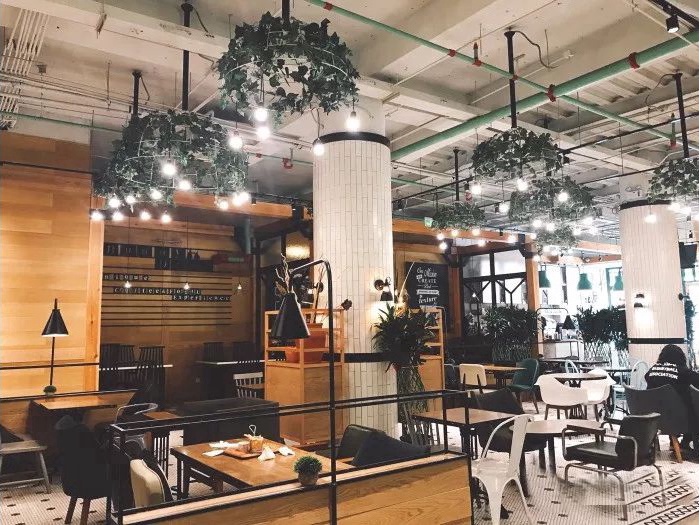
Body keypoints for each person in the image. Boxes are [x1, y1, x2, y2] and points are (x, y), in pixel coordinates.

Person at [645, 344, 699, 453]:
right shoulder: (683, 372)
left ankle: (674, 442)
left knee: (671, 401)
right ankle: (687, 442)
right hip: (679, 419)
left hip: (652, 419)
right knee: (692, 403)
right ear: (680, 357)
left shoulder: (651, 371)